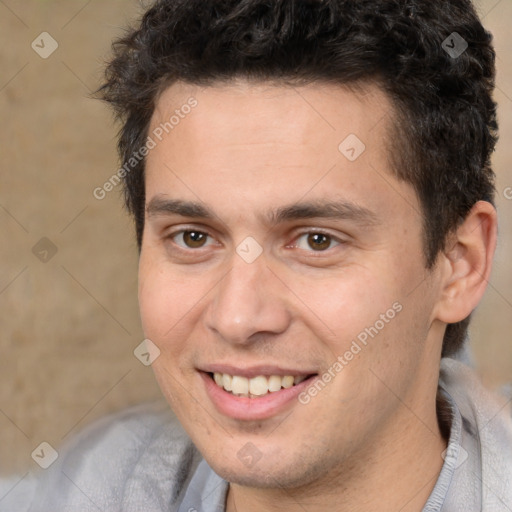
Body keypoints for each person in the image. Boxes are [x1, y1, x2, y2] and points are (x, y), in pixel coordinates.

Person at [2, 0, 512, 510]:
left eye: (317, 240)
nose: (238, 318)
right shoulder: (84, 487)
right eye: (193, 237)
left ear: (459, 265)